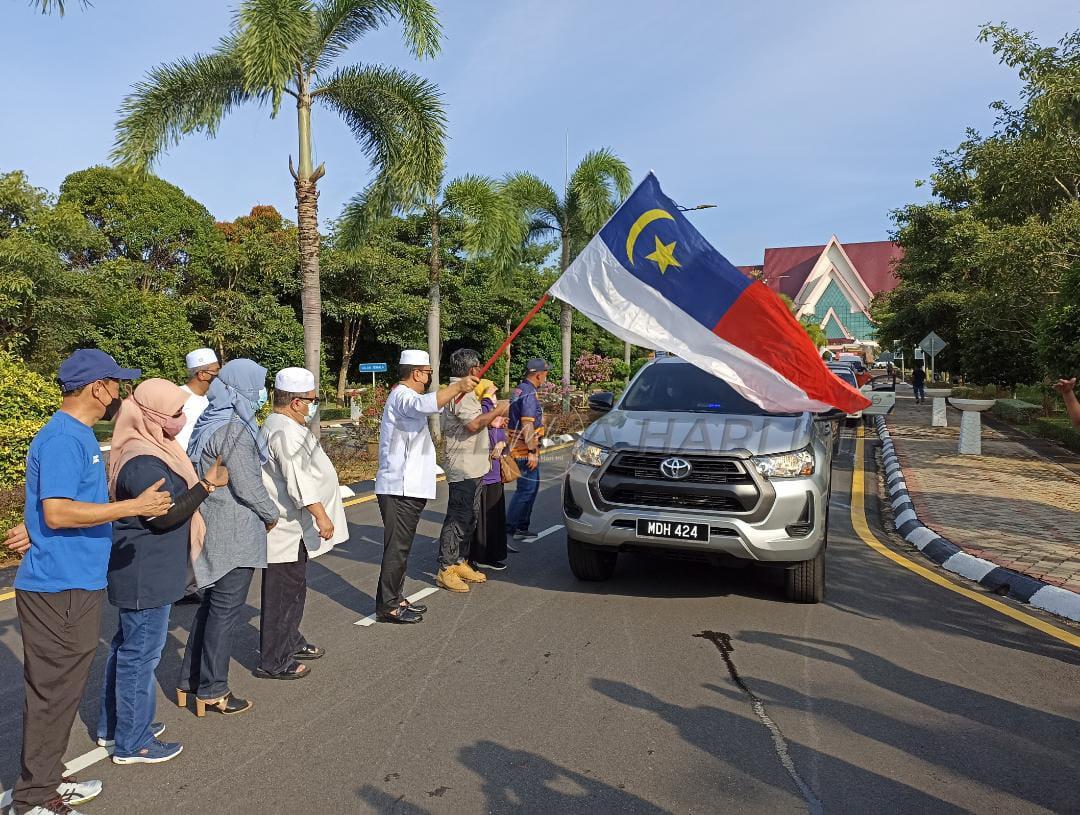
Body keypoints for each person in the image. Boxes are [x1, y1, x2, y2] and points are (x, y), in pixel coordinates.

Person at [8, 349, 168, 815]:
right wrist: (132, 507)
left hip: (72, 583)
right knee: (53, 694)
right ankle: (33, 799)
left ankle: (46, 780)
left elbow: (51, 509)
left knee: (60, 691)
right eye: (117, 383)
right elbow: (58, 511)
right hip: (60, 588)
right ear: (98, 387)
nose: (120, 392)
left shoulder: (72, 435)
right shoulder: (64, 438)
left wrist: (34, 526)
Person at [96, 379, 229, 766]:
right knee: (141, 655)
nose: (179, 420)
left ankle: (117, 725)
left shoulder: (153, 446)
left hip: (148, 567)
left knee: (126, 649)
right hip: (146, 570)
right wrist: (207, 485)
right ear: (152, 415)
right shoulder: (141, 460)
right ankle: (133, 742)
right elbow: (163, 516)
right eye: (173, 415)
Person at [178, 359, 278, 717]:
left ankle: (189, 681)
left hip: (214, 521)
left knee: (211, 606)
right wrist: (272, 514)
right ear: (242, 388)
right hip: (233, 530)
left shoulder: (212, 421)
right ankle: (213, 689)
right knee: (225, 612)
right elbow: (249, 485)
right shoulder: (234, 428)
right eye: (257, 384)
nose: (261, 392)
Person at [256, 367, 349, 679]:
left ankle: (290, 640)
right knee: (282, 594)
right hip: (285, 528)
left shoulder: (286, 425)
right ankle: (274, 660)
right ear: (295, 402)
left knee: (294, 590)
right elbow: (298, 482)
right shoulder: (283, 431)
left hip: (295, 527)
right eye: (312, 401)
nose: (313, 406)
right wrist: (321, 516)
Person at [373, 350, 478, 624]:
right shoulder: (402, 395)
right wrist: (456, 385)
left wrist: (460, 388)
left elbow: (433, 403)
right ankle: (388, 606)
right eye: (429, 373)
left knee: (402, 548)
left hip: (409, 488)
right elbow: (423, 406)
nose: (430, 378)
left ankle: (395, 597)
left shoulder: (411, 397)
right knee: (397, 549)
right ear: (417, 373)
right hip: (399, 489)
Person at [435, 349, 509, 593]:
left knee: (470, 516)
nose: (480, 371)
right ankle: (446, 568)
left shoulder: (463, 393)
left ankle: (460, 560)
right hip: (463, 467)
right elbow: (474, 424)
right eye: (478, 367)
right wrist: (500, 409)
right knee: (458, 518)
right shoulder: (461, 395)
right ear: (472, 370)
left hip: (474, 466)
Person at [506, 358, 550, 542]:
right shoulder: (529, 393)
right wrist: (532, 452)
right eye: (545, 373)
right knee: (526, 489)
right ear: (538, 374)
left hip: (520, 445)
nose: (546, 377)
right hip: (524, 449)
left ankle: (521, 526)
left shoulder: (520, 389)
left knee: (531, 487)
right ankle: (510, 530)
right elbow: (527, 424)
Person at [471, 379, 510, 571]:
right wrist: (486, 397)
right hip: (483, 476)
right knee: (481, 520)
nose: (495, 400)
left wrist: (503, 445)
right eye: (492, 395)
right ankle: (478, 556)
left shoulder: (496, 420)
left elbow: (505, 441)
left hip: (496, 476)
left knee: (494, 518)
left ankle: (492, 555)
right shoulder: (480, 416)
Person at [174, 348, 220, 452]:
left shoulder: (208, 398)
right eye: (216, 370)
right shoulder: (178, 396)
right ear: (202, 374)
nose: (218, 374)